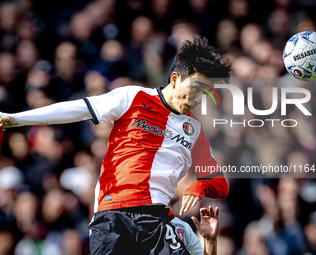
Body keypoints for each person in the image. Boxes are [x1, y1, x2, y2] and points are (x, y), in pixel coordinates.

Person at [0, 35, 231, 254]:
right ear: (174, 78)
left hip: (156, 218)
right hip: (112, 214)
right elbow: (76, 109)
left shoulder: (195, 130)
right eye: (197, 87)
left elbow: (218, 182)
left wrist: (199, 187)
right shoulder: (134, 97)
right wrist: (17, 119)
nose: (200, 96)